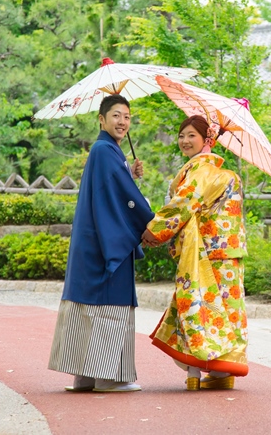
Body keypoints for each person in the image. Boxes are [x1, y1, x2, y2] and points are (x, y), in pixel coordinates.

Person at [48, 94, 154, 393]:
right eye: (116, 115)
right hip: (108, 241)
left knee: (87, 304)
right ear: (101, 119)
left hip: (92, 241)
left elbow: (112, 189)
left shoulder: (106, 151)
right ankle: (108, 377)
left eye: (127, 117)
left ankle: (84, 377)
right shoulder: (106, 151)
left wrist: (129, 173)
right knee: (110, 303)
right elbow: (124, 198)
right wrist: (149, 221)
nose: (123, 122)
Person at [141, 114, 248, 391]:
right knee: (227, 310)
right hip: (230, 251)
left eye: (192, 135)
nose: (185, 141)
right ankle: (223, 373)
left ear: (207, 140)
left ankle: (194, 373)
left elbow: (183, 205)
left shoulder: (201, 171)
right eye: (182, 135)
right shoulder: (228, 175)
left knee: (197, 307)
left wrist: (154, 231)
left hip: (205, 252)